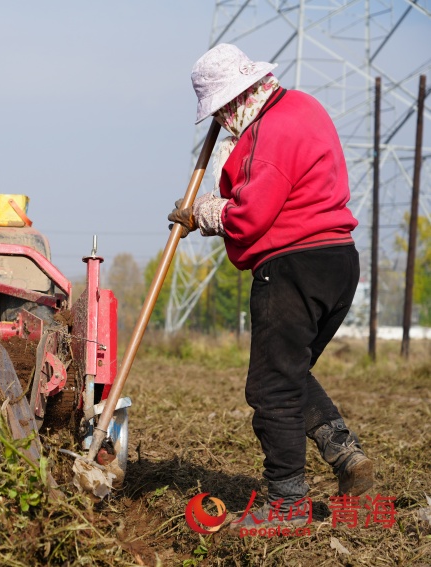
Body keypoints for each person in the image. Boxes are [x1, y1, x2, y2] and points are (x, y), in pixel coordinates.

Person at [168, 43, 373, 526]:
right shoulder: (304, 107)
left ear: (235, 99)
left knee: (272, 389)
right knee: (289, 372)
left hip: (292, 264)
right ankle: (345, 455)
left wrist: (203, 213)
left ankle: (287, 507)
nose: (223, 121)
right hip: (337, 261)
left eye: (221, 111)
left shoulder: (269, 130)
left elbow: (252, 215)